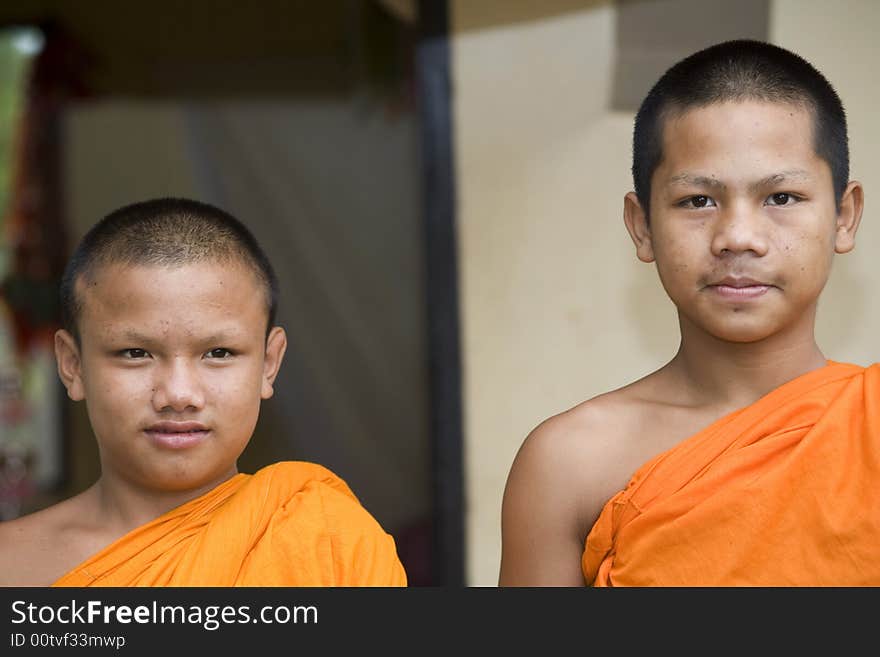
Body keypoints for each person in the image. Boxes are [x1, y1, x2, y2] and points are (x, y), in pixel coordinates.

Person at [499, 39, 879, 586]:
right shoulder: (569, 463)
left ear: (844, 216)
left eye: (782, 197)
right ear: (642, 225)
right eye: (697, 201)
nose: (738, 238)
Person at [0, 197, 407, 586]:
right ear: (73, 365)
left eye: (219, 352)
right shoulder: (12, 564)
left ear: (269, 363)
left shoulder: (332, 544)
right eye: (135, 352)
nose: (179, 394)